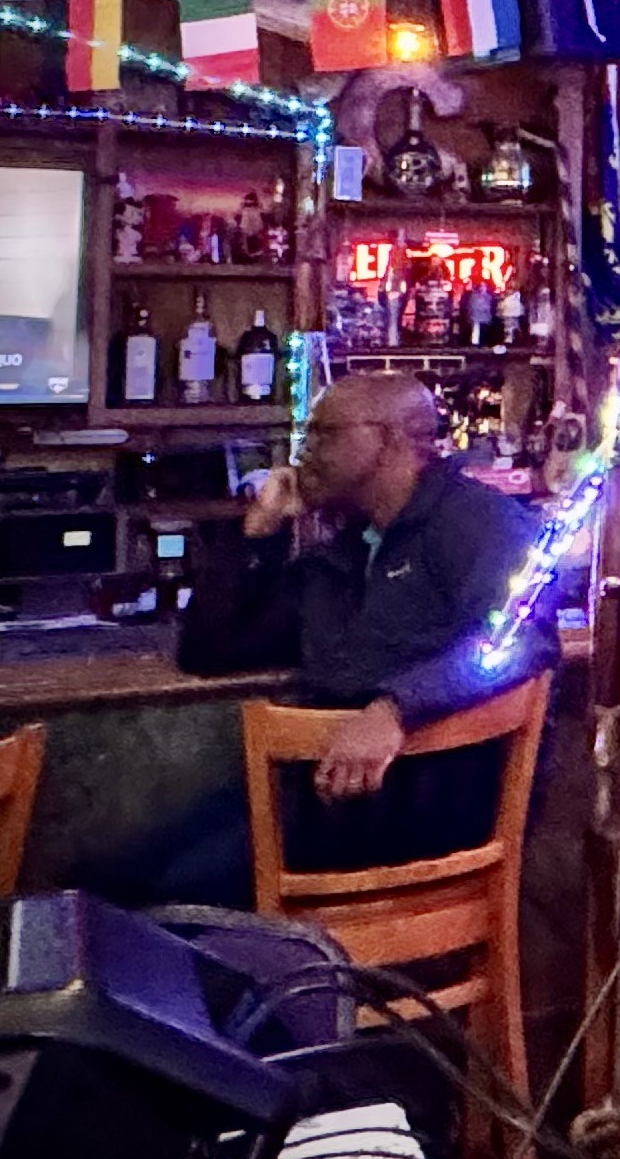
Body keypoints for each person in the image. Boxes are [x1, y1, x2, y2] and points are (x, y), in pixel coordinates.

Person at [177, 373, 546, 874]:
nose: (304, 451)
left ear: (390, 439)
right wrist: (257, 533)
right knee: (113, 877)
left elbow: (521, 637)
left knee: (155, 894)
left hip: (414, 815)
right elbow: (209, 649)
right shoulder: (343, 554)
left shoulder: (476, 522)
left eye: (324, 434)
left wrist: (396, 708)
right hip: (320, 800)